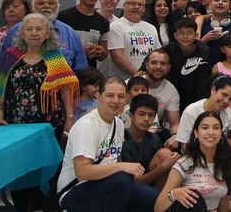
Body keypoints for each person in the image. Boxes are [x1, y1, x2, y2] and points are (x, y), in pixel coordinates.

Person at [0, 12, 80, 212]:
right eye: (29, 29)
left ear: (47, 33)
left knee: (46, 170)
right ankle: (23, 205)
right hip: (16, 127)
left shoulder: (55, 56)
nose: (34, 33)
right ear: (22, 33)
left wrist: (70, 118)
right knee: (21, 170)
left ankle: (45, 205)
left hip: (49, 126)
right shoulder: (10, 55)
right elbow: (0, 87)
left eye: (39, 29)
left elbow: (66, 89)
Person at [58, 77, 159, 212]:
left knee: (157, 201)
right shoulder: (86, 126)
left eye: (121, 96)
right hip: (76, 190)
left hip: (109, 183)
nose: (116, 101)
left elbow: (115, 158)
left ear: (126, 98)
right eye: (110, 95)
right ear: (98, 96)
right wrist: (122, 166)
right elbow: (82, 172)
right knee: (122, 179)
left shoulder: (118, 124)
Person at [155, 111, 231, 212]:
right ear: (196, 133)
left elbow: (224, 199)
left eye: (216, 128)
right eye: (205, 128)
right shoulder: (185, 163)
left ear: (221, 133)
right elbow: (158, 207)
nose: (211, 132)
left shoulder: (227, 161)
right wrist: (174, 194)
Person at [1, 0, 88, 73]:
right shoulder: (15, 31)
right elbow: (2, 68)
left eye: (51, 3)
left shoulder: (70, 34)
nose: (46, 6)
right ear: (32, 6)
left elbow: (82, 71)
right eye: (41, 3)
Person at [99, 0, 161, 80]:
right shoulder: (116, 26)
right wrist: (138, 75)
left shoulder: (151, 28)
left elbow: (157, 53)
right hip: (124, 81)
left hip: (149, 80)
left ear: (144, 8)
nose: (136, 7)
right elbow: (117, 56)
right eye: (132, 3)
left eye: (140, 5)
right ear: (124, 5)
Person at [122, 94, 178, 190]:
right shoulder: (123, 139)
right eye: (141, 114)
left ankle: (158, 195)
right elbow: (133, 181)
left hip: (149, 182)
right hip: (128, 186)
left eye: (151, 115)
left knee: (166, 154)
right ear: (131, 116)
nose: (146, 119)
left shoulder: (154, 140)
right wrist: (162, 167)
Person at [57, 0, 112, 68]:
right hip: (67, 71)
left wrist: (101, 52)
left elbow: (103, 55)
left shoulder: (103, 22)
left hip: (90, 72)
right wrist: (80, 51)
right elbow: (55, 49)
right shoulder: (63, 17)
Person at [175, 74, 231, 149]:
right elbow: (185, 145)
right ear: (213, 90)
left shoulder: (227, 111)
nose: (226, 101)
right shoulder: (191, 111)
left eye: (230, 99)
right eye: (224, 95)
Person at [163, 18, 213, 109]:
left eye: (189, 33)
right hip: (174, 94)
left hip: (196, 95)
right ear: (175, 36)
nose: (185, 36)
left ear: (196, 35)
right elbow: (153, 56)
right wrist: (143, 68)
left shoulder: (204, 51)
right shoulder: (169, 49)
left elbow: (203, 79)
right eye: (181, 33)